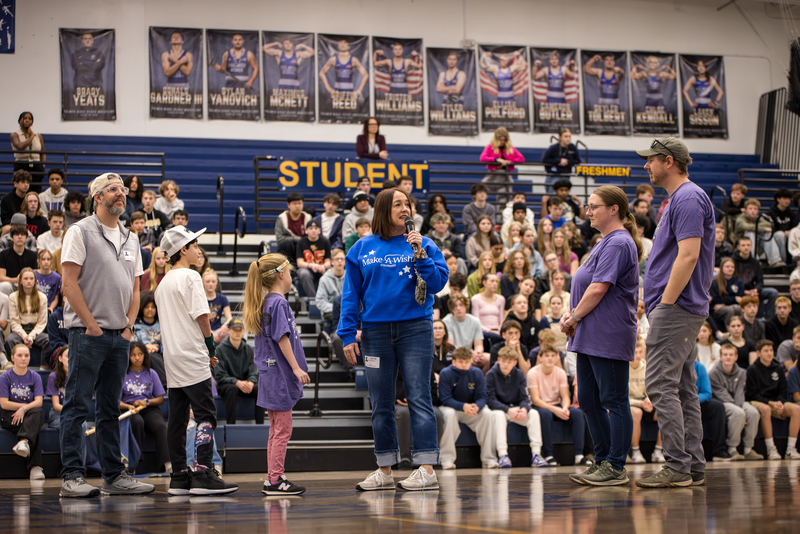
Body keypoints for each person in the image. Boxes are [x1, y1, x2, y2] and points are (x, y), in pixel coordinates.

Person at [340, 188, 449, 491]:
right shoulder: (362, 248)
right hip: (374, 333)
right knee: (381, 403)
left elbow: (438, 283)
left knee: (418, 397)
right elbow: (351, 295)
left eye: (408, 204)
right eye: (398, 204)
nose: (405, 208)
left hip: (416, 329)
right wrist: (348, 334)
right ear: (383, 210)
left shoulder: (424, 244)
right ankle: (385, 469)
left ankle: (426, 468)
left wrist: (422, 256)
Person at [58, 173, 154, 498]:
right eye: (113, 189)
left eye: (123, 190)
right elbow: (68, 284)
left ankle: (113, 475)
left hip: (119, 336)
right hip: (88, 333)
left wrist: (129, 325)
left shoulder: (132, 238)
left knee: (110, 408)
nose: (121, 194)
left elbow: (136, 289)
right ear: (97, 197)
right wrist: (91, 324)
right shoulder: (79, 231)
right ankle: (72, 475)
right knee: (76, 405)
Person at [635, 138, 715, 489]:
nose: (645, 166)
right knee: (682, 387)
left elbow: (688, 255)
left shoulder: (687, 197)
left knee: (659, 384)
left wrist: (665, 302)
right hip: (678, 308)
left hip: (677, 307)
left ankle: (678, 465)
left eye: (650, 160)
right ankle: (692, 465)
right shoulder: (680, 198)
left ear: (668, 161)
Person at [557, 185, 640, 485]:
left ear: (614, 209)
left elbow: (598, 287)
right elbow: (585, 285)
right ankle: (602, 459)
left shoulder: (619, 243)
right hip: (588, 334)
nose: (588, 211)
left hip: (608, 335)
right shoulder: (604, 242)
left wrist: (574, 316)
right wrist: (572, 317)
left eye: (594, 206)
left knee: (614, 400)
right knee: (589, 401)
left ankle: (616, 465)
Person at [155, 225, 237, 496]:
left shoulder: (162, 283)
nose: (198, 250)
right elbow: (203, 318)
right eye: (194, 245)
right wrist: (211, 347)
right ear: (183, 250)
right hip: (192, 353)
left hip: (172, 356)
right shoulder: (191, 277)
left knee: (177, 418)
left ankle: (179, 476)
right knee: (205, 415)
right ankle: (203, 472)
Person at [243, 254, 310, 495]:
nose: (291, 277)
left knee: (275, 429)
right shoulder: (279, 303)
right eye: (290, 273)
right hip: (279, 375)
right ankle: (274, 480)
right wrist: (295, 367)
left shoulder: (266, 302)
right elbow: (282, 338)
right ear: (281, 274)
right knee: (283, 430)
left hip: (270, 375)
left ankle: (273, 477)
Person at [438, 347, 498, 469]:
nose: (464, 364)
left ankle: (489, 459)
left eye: (467, 361)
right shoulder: (445, 373)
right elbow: (445, 399)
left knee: (487, 413)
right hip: (453, 408)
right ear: (453, 362)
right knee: (448, 414)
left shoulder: (476, 372)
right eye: (461, 361)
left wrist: (477, 407)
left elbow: (482, 396)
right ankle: (446, 459)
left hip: (471, 410)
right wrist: (463, 406)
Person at [527, 344, 585, 467]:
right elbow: (535, 399)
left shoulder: (560, 372)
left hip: (557, 405)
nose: (550, 358)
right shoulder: (532, 373)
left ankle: (579, 455)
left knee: (577, 413)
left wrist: (564, 408)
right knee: (546, 414)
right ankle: (548, 455)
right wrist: (554, 409)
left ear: (557, 358)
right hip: (541, 406)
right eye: (547, 356)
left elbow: (565, 397)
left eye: (553, 356)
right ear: (540, 358)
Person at [486, 346, 544, 468]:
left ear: (515, 363)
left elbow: (524, 397)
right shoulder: (491, 374)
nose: (506, 364)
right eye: (503, 361)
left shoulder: (519, 374)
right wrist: (508, 410)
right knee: (499, 415)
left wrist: (524, 409)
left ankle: (536, 455)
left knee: (533, 414)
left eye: (509, 362)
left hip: (515, 409)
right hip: (499, 410)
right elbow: (490, 400)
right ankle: (503, 455)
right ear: (498, 360)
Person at [120, 341, 170, 473]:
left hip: (148, 408)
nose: (137, 358)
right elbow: (115, 401)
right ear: (128, 356)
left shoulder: (151, 373)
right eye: (133, 355)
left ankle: (166, 464)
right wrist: (128, 407)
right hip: (128, 409)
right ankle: (135, 464)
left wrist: (146, 402)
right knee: (137, 422)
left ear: (144, 355)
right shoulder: (122, 374)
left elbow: (160, 399)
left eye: (140, 354)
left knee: (160, 426)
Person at [746, 340, 800, 460]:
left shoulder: (778, 368)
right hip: (759, 401)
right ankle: (771, 449)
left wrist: (780, 402)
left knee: (796, 409)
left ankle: (791, 449)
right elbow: (752, 394)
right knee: (766, 410)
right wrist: (769, 403)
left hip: (776, 402)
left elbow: (783, 390)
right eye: (766, 351)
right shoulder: (752, 370)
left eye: (771, 350)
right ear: (759, 353)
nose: (769, 353)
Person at [709, 343, 764, 461]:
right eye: (725, 355)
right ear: (721, 356)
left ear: (736, 357)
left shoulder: (741, 372)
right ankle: (732, 448)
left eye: (731, 355)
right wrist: (739, 409)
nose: (728, 357)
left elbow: (740, 392)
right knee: (738, 413)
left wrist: (741, 407)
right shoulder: (713, 373)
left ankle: (748, 449)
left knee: (753, 412)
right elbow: (721, 394)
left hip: (737, 401)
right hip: (721, 401)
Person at [0, 344, 46, 480]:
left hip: (28, 413)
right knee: (34, 426)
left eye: (26, 355)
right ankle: (35, 467)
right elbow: (4, 403)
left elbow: (39, 402)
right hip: (9, 415)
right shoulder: (5, 377)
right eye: (19, 355)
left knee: (39, 412)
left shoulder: (35, 376)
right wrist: (22, 408)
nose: (23, 358)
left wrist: (23, 408)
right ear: (12, 357)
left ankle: (23, 441)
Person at [214, 319, 265, 425]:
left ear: (243, 332)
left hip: (245, 385)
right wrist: (237, 382)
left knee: (260, 388)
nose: (237, 332)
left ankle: (260, 426)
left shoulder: (249, 349)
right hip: (228, 386)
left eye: (240, 330)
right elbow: (220, 375)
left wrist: (251, 382)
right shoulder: (219, 350)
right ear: (228, 331)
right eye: (234, 330)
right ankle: (231, 426)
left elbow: (254, 371)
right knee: (231, 389)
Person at [628, 342, 664, 465]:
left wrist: (650, 400)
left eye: (640, 352)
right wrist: (639, 403)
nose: (638, 356)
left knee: (664, 412)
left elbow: (654, 388)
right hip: (631, 402)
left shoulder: (647, 367)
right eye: (635, 352)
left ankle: (658, 451)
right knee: (636, 413)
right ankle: (635, 451)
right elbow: (621, 396)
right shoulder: (622, 368)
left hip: (645, 401)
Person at [5, 268, 48, 363]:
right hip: (20, 330)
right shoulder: (13, 297)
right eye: (25, 278)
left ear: (35, 281)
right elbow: (14, 322)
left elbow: (42, 322)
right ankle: (15, 366)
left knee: (48, 340)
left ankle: (43, 368)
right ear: (20, 281)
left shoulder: (42, 297)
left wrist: (31, 336)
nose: (29, 281)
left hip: (36, 330)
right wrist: (25, 336)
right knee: (10, 340)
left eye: (31, 278)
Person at [694, 359, 731, 461]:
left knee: (718, 407)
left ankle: (719, 450)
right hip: (679, 402)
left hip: (696, 401)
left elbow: (707, 393)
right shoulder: (675, 365)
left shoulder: (699, 367)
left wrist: (693, 400)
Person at [541, 129, 580, 218]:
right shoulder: (553, 148)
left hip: (566, 176)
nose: (568, 139)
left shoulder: (572, 148)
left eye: (569, 136)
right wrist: (558, 161)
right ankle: (550, 216)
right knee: (552, 198)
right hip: (553, 176)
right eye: (566, 136)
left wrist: (568, 161)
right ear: (560, 137)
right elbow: (545, 160)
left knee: (564, 197)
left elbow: (577, 160)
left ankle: (563, 215)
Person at [734, 199, 785, 268]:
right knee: (750, 232)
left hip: (757, 247)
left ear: (758, 211)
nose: (753, 211)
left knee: (767, 234)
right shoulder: (740, 219)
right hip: (740, 248)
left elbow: (769, 225)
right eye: (750, 208)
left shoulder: (758, 218)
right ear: (745, 210)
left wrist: (756, 228)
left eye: (755, 209)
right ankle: (754, 261)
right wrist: (762, 229)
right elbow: (746, 226)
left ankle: (774, 261)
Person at [479, 128, 524, 207]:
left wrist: (508, 161)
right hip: (492, 174)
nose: (502, 142)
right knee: (480, 191)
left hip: (505, 175)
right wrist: (496, 160)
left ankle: (501, 218)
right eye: (500, 140)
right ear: (496, 139)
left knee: (503, 202)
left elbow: (521, 158)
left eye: (504, 140)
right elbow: (483, 158)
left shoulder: (510, 148)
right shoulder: (490, 147)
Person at [10, 113, 45, 194]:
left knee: (36, 191)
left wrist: (42, 166)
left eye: (30, 118)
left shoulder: (38, 135)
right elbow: (20, 146)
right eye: (25, 118)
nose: (27, 120)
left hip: (36, 165)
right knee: (22, 190)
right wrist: (31, 136)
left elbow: (42, 153)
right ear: (19, 121)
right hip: (21, 165)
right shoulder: (15, 134)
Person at [295, 219, 332, 297]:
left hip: (322, 268)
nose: (313, 231)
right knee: (303, 273)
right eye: (311, 228)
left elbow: (328, 261)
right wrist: (312, 265)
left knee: (331, 271)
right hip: (308, 268)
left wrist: (323, 266)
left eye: (316, 228)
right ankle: (313, 299)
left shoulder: (325, 241)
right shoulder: (301, 242)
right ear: (306, 231)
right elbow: (299, 263)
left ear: (319, 230)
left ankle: (328, 298)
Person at [710, 258, 744, 334]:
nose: (730, 269)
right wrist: (734, 298)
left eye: (732, 267)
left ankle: (742, 334)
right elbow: (715, 300)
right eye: (727, 266)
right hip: (716, 310)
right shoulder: (715, 282)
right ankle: (729, 334)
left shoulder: (739, 282)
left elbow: (740, 299)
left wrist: (724, 303)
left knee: (740, 309)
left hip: (732, 306)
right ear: (722, 268)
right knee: (730, 310)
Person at [316, 248, 345, 321]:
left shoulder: (350, 277)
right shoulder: (324, 279)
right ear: (332, 261)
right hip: (330, 311)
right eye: (337, 259)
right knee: (341, 317)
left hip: (347, 310)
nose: (340, 261)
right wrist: (337, 308)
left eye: (342, 259)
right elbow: (320, 301)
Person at [203, 270, 232, 344]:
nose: (210, 284)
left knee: (238, 329)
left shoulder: (222, 298)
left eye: (213, 281)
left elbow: (229, 318)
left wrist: (225, 326)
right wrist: (209, 332)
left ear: (217, 282)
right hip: (203, 330)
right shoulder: (200, 299)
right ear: (203, 282)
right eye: (207, 281)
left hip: (218, 331)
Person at [46, 346, 69, 429]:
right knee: (71, 424)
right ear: (60, 358)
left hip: (74, 413)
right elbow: (56, 405)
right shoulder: (53, 377)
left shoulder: (79, 377)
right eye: (67, 356)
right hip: (58, 414)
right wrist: (71, 412)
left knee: (81, 424)